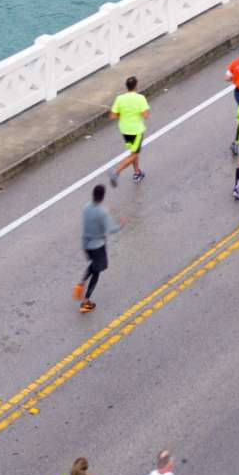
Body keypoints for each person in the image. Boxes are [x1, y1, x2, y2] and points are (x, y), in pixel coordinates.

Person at [74, 184, 120, 314]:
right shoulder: (102, 212)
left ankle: (81, 283)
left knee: (93, 265)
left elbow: (96, 215)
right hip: (97, 246)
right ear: (103, 196)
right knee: (97, 271)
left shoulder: (86, 207)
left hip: (86, 244)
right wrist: (121, 224)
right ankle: (86, 301)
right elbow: (110, 229)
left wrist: (106, 211)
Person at [108, 74, 148, 186]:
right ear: (136, 86)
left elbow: (112, 116)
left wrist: (124, 112)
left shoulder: (120, 99)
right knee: (134, 154)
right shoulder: (140, 98)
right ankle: (116, 172)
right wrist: (136, 111)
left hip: (125, 130)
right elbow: (145, 115)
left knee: (133, 152)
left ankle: (137, 173)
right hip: (136, 130)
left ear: (127, 86)